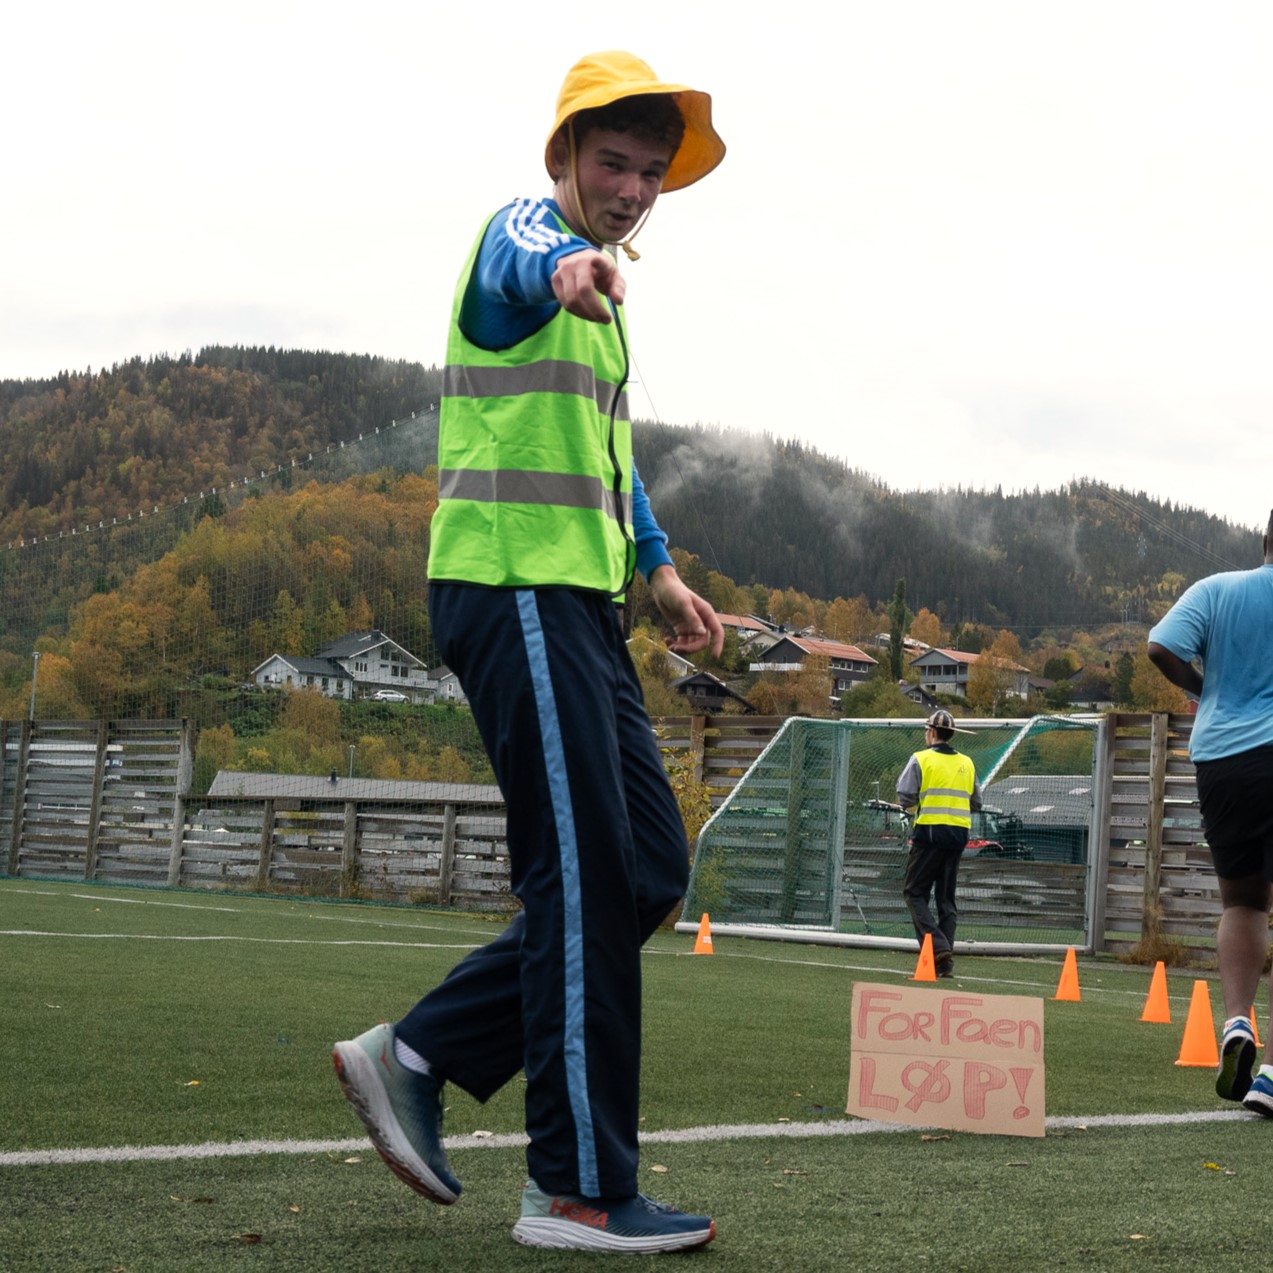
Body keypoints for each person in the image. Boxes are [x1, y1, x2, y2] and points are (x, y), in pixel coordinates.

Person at [332, 51, 726, 1253]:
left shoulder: (607, 310)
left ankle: (418, 1052)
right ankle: (575, 1188)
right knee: (585, 876)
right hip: (511, 590)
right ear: (562, 157)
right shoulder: (526, 237)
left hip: (584, 608)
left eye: (649, 173)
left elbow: (608, 452)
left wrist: (657, 566)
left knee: (646, 868)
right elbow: (520, 260)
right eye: (612, 163)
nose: (631, 190)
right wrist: (563, 266)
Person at [1147, 513, 1273, 1116]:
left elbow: (1160, 646)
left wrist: (1207, 688)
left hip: (1225, 760)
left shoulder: (1216, 589)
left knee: (1243, 902)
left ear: (1266, 540)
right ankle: (1271, 1078)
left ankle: (1236, 1023)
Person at [896, 709, 983, 979]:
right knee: (946, 899)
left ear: (932, 732)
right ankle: (943, 964)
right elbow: (977, 802)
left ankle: (937, 945)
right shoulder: (967, 763)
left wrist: (920, 804)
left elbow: (905, 796)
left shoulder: (921, 759)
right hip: (958, 837)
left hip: (929, 836)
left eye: (926, 730)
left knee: (914, 892)